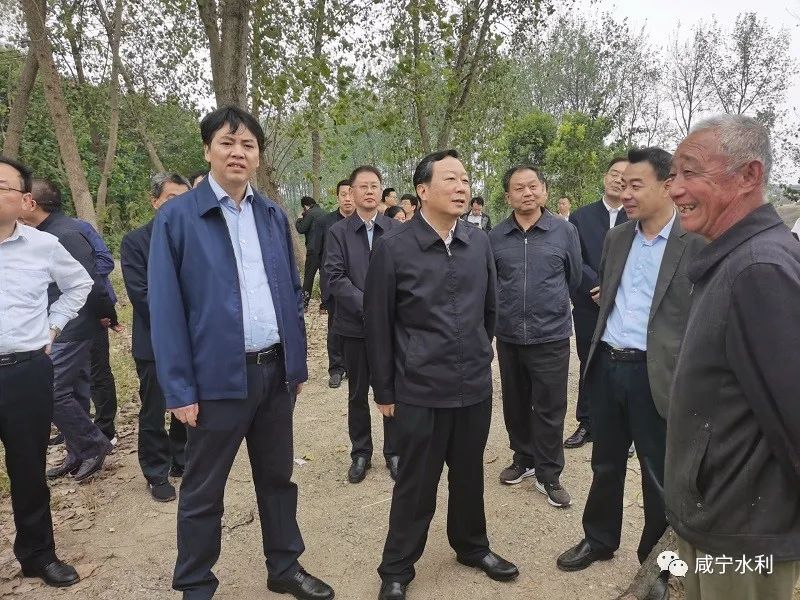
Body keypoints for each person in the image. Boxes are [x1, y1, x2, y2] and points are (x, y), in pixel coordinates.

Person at [148, 106, 334, 600]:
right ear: (208, 149)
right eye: (227, 143)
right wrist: (179, 389)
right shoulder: (178, 218)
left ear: (258, 155)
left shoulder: (271, 214)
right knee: (204, 488)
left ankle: (284, 566)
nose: (238, 152)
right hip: (215, 380)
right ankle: (195, 583)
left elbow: (290, 291)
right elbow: (165, 309)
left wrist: (296, 363)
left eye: (248, 144)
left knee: (277, 478)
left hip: (273, 372)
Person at [365, 150, 518, 600]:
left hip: (472, 387)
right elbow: (378, 324)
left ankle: (472, 546)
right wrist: (385, 389)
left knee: (469, 474)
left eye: (465, 179)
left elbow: (489, 311)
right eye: (450, 179)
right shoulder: (394, 246)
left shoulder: (478, 242)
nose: (461, 187)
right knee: (416, 482)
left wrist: (478, 355)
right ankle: (397, 567)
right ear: (423, 190)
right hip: (419, 389)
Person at [557, 148, 706, 600]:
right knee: (605, 463)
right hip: (608, 364)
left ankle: (656, 566)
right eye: (622, 185)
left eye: (636, 185)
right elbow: (609, 292)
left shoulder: (695, 242)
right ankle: (599, 539)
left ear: (667, 185)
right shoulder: (618, 237)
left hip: (656, 374)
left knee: (658, 475)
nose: (626, 194)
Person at [666, 115, 800, 600]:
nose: (675, 189)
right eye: (673, 175)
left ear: (748, 175)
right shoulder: (732, 258)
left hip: (744, 531)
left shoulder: (758, 268)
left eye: (690, 171)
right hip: (721, 514)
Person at [0, 156, 91, 588]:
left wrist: (52, 326)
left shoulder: (42, 245)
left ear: (25, 199)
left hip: (25, 373)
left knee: (28, 469)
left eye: (2, 186)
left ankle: (38, 554)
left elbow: (80, 284)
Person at [490, 165, 581, 507]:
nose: (527, 193)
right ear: (507, 196)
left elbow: (573, 277)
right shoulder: (496, 237)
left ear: (544, 190)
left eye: (533, 186)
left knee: (550, 407)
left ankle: (549, 473)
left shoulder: (564, 231)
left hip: (551, 335)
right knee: (515, 403)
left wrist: (550, 305)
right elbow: (492, 282)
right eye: (519, 188)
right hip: (510, 335)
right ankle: (523, 458)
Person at [20, 179, 115, 482]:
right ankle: (77, 453)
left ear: (31, 203)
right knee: (74, 391)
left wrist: (107, 314)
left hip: (73, 326)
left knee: (49, 391)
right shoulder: (42, 233)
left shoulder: (65, 234)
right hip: (57, 325)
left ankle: (93, 445)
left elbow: (92, 281)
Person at [323, 166, 399, 483]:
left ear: (381, 191)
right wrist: (368, 306)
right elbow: (334, 277)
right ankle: (361, 452)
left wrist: (387, 310)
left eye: (374, 186)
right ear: (351, 193)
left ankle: (394, 451)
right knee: (357, 393)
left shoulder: (395, 229)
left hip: (391, 329)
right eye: (362, 186)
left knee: (392, 389)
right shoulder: (338, 233)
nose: (369, 191)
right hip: (354, 327)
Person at [120, 173, 190, 502]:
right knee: (155, 409)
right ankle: (156, 471)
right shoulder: (136, 242)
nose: (178, 205)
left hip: (193, 339)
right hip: (154, 343)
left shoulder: (193, 237)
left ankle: (181, 458)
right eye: (171, 198)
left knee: (187, 402)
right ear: (155, 201)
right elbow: (142, 295)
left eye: (185, 199)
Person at [564, 157, 629, 449]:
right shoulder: (581, 216)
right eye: (614, 173)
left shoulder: (638, 217)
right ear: (605, 177)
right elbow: (574, 258)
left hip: (626, 305)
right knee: (589, 362)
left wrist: (614, 290)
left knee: (625, 363)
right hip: (589, 303)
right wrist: (597, 287)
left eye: (625, 175)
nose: (618, 179)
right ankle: (587, 422)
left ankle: (624, 427)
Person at [74, 218, 118, 444]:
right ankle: (75, 427)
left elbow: (106, 261)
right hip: (59, 315)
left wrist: (74, 278)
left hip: (92, 309)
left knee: (97, 371)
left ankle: (105, 430)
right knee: (69, 377)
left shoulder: (79, 228)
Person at [318, 179, 354, 389]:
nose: (348, 199)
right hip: (333, 284)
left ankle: (356, 366)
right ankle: (336, 368)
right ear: (337, 197)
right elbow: (316, 254)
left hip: (358, 285)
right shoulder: (326, 222)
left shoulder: (364, 222)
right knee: (335, 327)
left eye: (351, 193)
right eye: (343, 194)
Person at [295, 196, 327, 311]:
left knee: (309, 277)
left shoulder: (309, 213)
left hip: (313, 250)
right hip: (325, 250)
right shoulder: (325, 213)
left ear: (305, 206)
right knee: (324, 277)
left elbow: (301, 229)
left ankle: (304, 304)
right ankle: (325, 305)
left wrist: (299, 219)